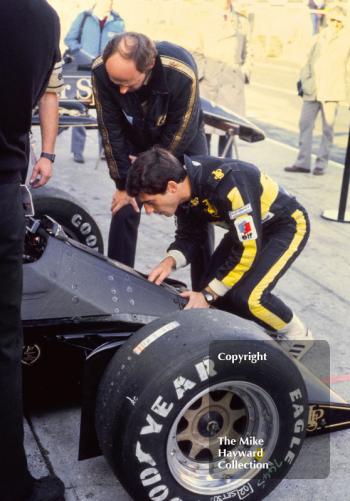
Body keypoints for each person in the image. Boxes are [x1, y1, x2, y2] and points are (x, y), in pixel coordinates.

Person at [126, 147, 314, 358]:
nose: (149, 211)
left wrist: (208, 294)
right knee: (213, 291)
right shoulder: (183, 186)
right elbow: (190, 236)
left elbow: (248, 248)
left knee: (250, 297)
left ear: (171, 187)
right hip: (248, 231)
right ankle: (243, 343)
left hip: (284, 225)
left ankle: (299, 337)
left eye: (150, 202)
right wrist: (170, 261)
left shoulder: (228, 185)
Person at [0, 1, 64, 500]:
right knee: (3, 345)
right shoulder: (41, 18)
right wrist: (45, 150)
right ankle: (12, 483)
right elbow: (43, 88)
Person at [92, 32, 210, 288]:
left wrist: (148, 164)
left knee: (199, 207)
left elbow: (181, 132)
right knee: (126, 204)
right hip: (134, 133)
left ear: (150, 66)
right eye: (116, 82)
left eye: (128, 84)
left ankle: (204, 292)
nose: (121, 90)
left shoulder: (180, 71)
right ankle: (117, 282)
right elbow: (109, 129)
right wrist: (123, 184)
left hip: (181, 136)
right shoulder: (101, 70)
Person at [285, 6, 350, 176]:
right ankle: (303, 162)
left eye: (339, 21)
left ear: (343, 23)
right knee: (305, 125)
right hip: (312, 89)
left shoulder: (347, 41)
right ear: (328, 20)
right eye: (333, 20)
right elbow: (307, 61)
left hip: (332, 91)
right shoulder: (318, 37)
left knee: (327, 129)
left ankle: (321, 165)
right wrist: (305, 81)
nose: (335, 24)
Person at [64, 0, 125, 163]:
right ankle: (77, 152)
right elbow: (69, 39)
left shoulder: (118, 23)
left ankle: (105, 151)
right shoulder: (84, 17)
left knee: (106, 112)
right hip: (83, 73)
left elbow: (122, 48)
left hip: (106, 74)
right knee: (81, 109)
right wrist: (83, 54)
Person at [194, 0, 253, 157]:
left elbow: (249, 51)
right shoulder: (204, 18)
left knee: (227, 135)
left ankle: (225, 177)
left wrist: (243, 73)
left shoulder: (243, 21)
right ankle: (204, 175)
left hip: (231, 84)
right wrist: (202, 73)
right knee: (203, 134)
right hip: (208, 83)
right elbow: (195, 50)